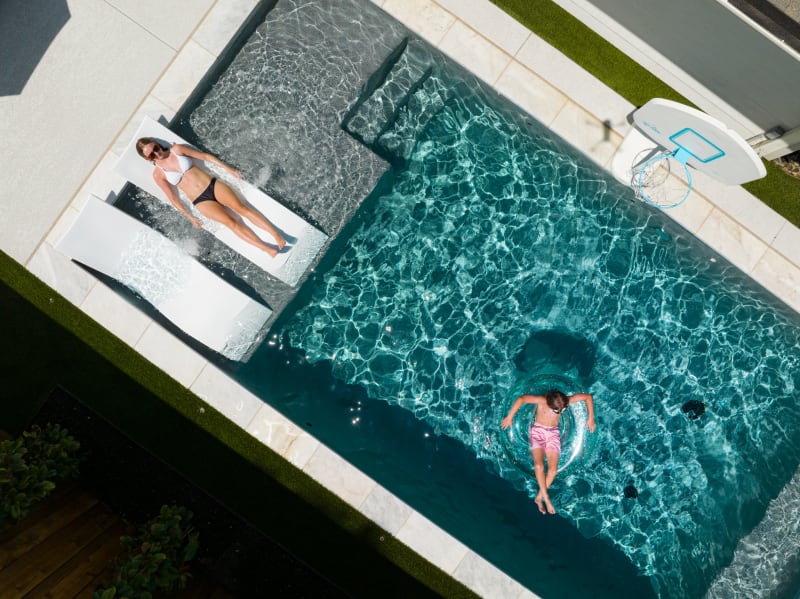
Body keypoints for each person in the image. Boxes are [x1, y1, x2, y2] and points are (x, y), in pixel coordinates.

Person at [136, 138, 286, 257]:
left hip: (212, 185)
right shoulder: (158, 174)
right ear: (148, 158)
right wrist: (190, 217)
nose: (156, 153)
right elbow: (174, 199)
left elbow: (205, 156)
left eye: (155, 148)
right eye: (151, 154)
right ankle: (266, 248)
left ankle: (276, 235)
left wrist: (229, 169)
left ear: (157, 144)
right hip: (201, 201)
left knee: (242, 208)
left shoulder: (177, 149)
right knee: (231, 223)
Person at [501, 389, 595, 515]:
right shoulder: (541, 400)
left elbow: (588, 397)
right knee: (538, 465)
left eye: (563, 410)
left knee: (553, 471)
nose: (561, 412)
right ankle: (546, 497)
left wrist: (591, 419)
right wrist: (509, 417)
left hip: (553, 434)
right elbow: (522, 399)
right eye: (558, 410)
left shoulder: (565, 401)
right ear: (550, 404)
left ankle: (539, 497)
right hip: (538, 433)